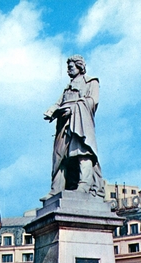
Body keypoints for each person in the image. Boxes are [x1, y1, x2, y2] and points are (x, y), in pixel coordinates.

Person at [44, 55, 105, 198]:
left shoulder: (91, 82)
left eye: (70, 67)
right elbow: (59, 102)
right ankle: (56, 190)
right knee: (61, 157)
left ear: (79, 66)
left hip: (80, 122)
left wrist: (73, 109)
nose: (68, 71)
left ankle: (85, 184)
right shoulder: (67, 89)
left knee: (82, 152)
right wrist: (52, 110)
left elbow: (93, 101)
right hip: (64, 124)